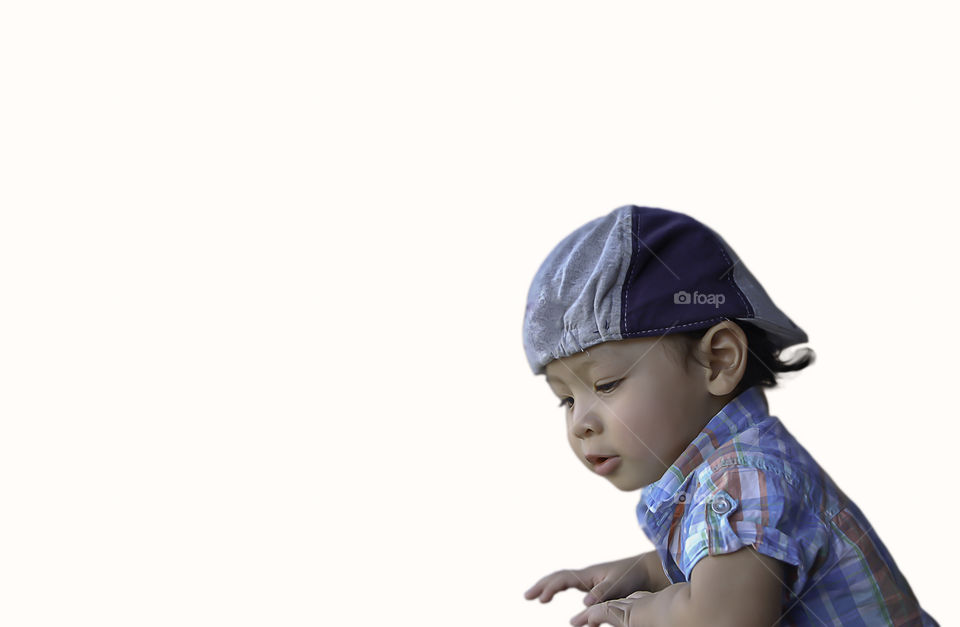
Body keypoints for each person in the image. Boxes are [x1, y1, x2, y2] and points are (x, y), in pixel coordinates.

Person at [520, 205, 938, 627]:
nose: (579, 424)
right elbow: (716, 565)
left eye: (606, 384)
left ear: (717, 361)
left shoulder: (742, 478)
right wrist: (641, 572)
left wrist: (639, 612)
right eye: (566, 399)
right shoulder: (728, 474)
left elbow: (724, 617)